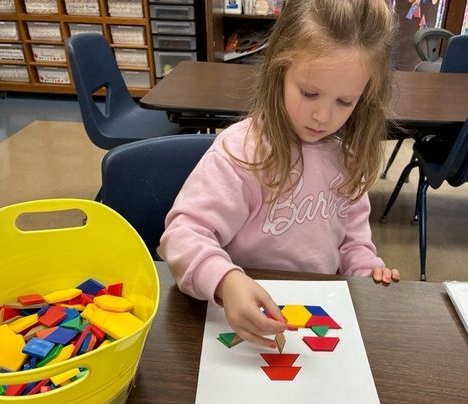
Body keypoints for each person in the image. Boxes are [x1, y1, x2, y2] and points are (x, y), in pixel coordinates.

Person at [160, 0, 399, 348]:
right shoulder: (242, 153)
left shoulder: (347, 156)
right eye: (309, 93)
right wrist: (225, 280)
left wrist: (368, 270)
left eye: (344, 102)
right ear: (279, 69)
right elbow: (182, 235)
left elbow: (352, 243)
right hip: (243, 316)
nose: (322, 116)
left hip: (315, 315)